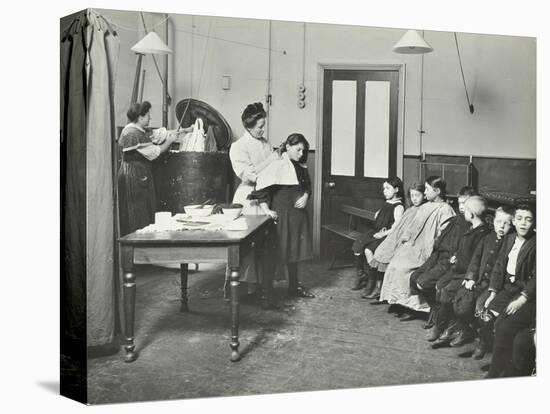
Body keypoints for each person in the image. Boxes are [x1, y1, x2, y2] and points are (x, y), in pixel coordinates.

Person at [370, 177, 455, 313]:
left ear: (437, 191)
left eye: (427, 189)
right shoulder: (424, 207)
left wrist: (431, 244)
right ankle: (399, 302)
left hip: (427, 248)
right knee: (394, 264)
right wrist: (405, 240)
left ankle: (413, 307)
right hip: (413, 245)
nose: (425, 193)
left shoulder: (445, 209)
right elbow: (412, 227)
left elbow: (444, 234)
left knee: (404, 269)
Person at [249, 133, 315, 301]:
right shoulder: (277, 165)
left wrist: (306, 196)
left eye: (303, 150)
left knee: (294, 253)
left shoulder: (302, 166)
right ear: (287, 147)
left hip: (297, 216)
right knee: (275, 254)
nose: (301, 153)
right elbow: (261, 191)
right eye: (298, 149)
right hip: (281, 217)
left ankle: (294, 286)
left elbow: (307, 186)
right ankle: (267, 292)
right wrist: (266, 210)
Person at [401, 186, 476, 322]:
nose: (462, 207)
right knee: (414, 277)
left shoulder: (470, 225)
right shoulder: (455, 220)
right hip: (437, 255)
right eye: (459, 203)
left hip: (449, 261)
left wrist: (454, 256)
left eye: (465, 203)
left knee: (423, 283)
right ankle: (433, 308)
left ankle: (436, 312)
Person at [228, 102, 280, 291]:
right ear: (249, 126)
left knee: (265, 246)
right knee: (247, 245)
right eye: (260, 126)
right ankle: (241, 289)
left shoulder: (265, 143)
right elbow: (250, 176)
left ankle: (261, 288)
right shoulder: (238, 147)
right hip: (249, 199)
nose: (263, 129)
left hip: (266, 197)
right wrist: (272, 161)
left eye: (264, 125)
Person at [427, 196, 490, 346]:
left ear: (472, 214)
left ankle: (448, 327)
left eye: (466, 210)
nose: (464, 213)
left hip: (466, 274)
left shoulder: (481, 234)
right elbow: (462, 250)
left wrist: (469, 277)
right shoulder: (471, 229)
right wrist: (455, 257)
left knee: (448, 291)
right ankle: (443, 324)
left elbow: (476, 260)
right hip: (457, 269)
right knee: (441, 286)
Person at [117, 101, 187, 235]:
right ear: (140, 117)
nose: (150, 117)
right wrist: (170, 141)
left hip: (138, 174)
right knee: (137, 214)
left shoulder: (138, 130)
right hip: (133, 177)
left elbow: (160, 134)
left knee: (143, 211)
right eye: (148, 115)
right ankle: (137, 246)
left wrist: (184, 131)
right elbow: (157, 151)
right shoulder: (132, 134)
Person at [453, 206, 513, 359]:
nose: (502, 226)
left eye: (507, 223)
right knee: (463, 300)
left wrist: (493, 289)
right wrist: (471, 277)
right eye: (499, 222)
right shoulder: (488, 238)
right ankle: (465, 330)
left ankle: (482, 341)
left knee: (480, 306)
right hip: (480, 280)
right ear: (493, 222)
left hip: (494, 286)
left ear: (512, 225)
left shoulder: (510, 242)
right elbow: (476, 259)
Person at [483, 203, 536, 378]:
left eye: (528, 220)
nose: (523, 223)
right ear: (513, 220)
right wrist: (492, 292)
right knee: (486, 317)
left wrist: (522, 298)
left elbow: (538, 277)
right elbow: (498, 267)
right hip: (507, 289)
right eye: (519, 219)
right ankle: (499, 361)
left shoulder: (537, 243)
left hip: (526, 295)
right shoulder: (509, 238)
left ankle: (497, 370)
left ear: (534, 222)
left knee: (504, 326)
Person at [373, 182, 426, 316]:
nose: (414, 199)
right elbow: (399, 228)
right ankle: (393, 299)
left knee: (402, 268)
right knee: (390, 262)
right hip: (401, 241)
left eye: (417, 195)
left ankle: (405, 304)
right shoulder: (409, 210)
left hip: (415, 245)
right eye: (412, 196)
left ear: (424, 196)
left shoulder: (424, 210)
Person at [351, 178, 404, 298]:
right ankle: (361, 276)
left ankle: (372, 281)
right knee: (357, 245)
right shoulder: (388, 203)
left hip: (387, 236)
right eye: (384, 188)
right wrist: (378, 214)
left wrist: (382, 234)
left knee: (369, 250)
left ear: (396, 189)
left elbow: (397, 228)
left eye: (387, 188)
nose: (384, 191)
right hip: (376, 231)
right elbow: (380, 215)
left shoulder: (399, 207)